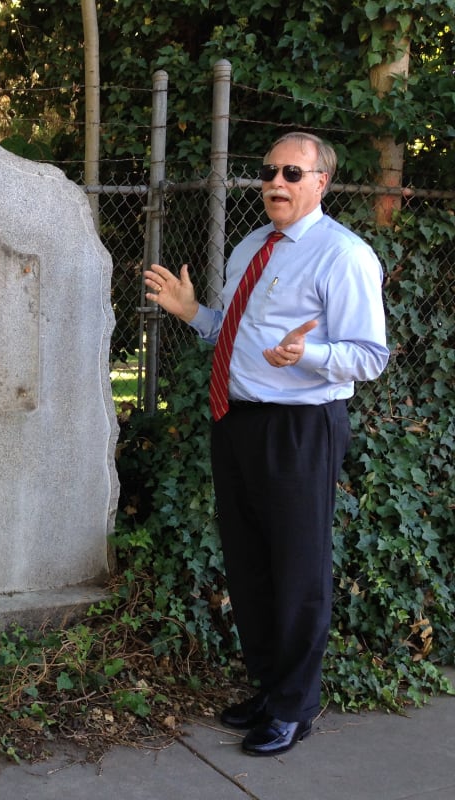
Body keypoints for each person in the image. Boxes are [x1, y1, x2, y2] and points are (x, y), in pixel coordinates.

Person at [143, 131, 389, 756]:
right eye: (269, 172)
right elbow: (233, 331)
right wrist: (193, 312)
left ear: (320, 182)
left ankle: (294, 708)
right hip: (239, 421)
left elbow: (369, 356)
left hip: (300, 428)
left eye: (291, 173)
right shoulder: (254, 244)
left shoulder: (344, 255)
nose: (276, 183)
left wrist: (310, 353)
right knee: (249, 563)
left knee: (298, 568)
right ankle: (268, 688)